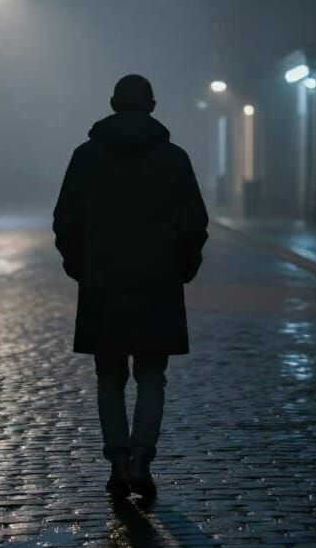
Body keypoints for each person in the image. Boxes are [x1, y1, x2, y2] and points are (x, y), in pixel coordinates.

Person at [53, 74, 209, 501]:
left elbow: (66, 220)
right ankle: (142, 458)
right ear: (152, 106)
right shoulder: (173, 159)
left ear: (113, 104)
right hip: (157, 279)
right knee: (152, 376)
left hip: (104, 279)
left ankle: (118, 461)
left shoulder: (86, 157)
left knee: (109, 377)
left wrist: (81, 265)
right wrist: (182, 266)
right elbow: (194, 223)